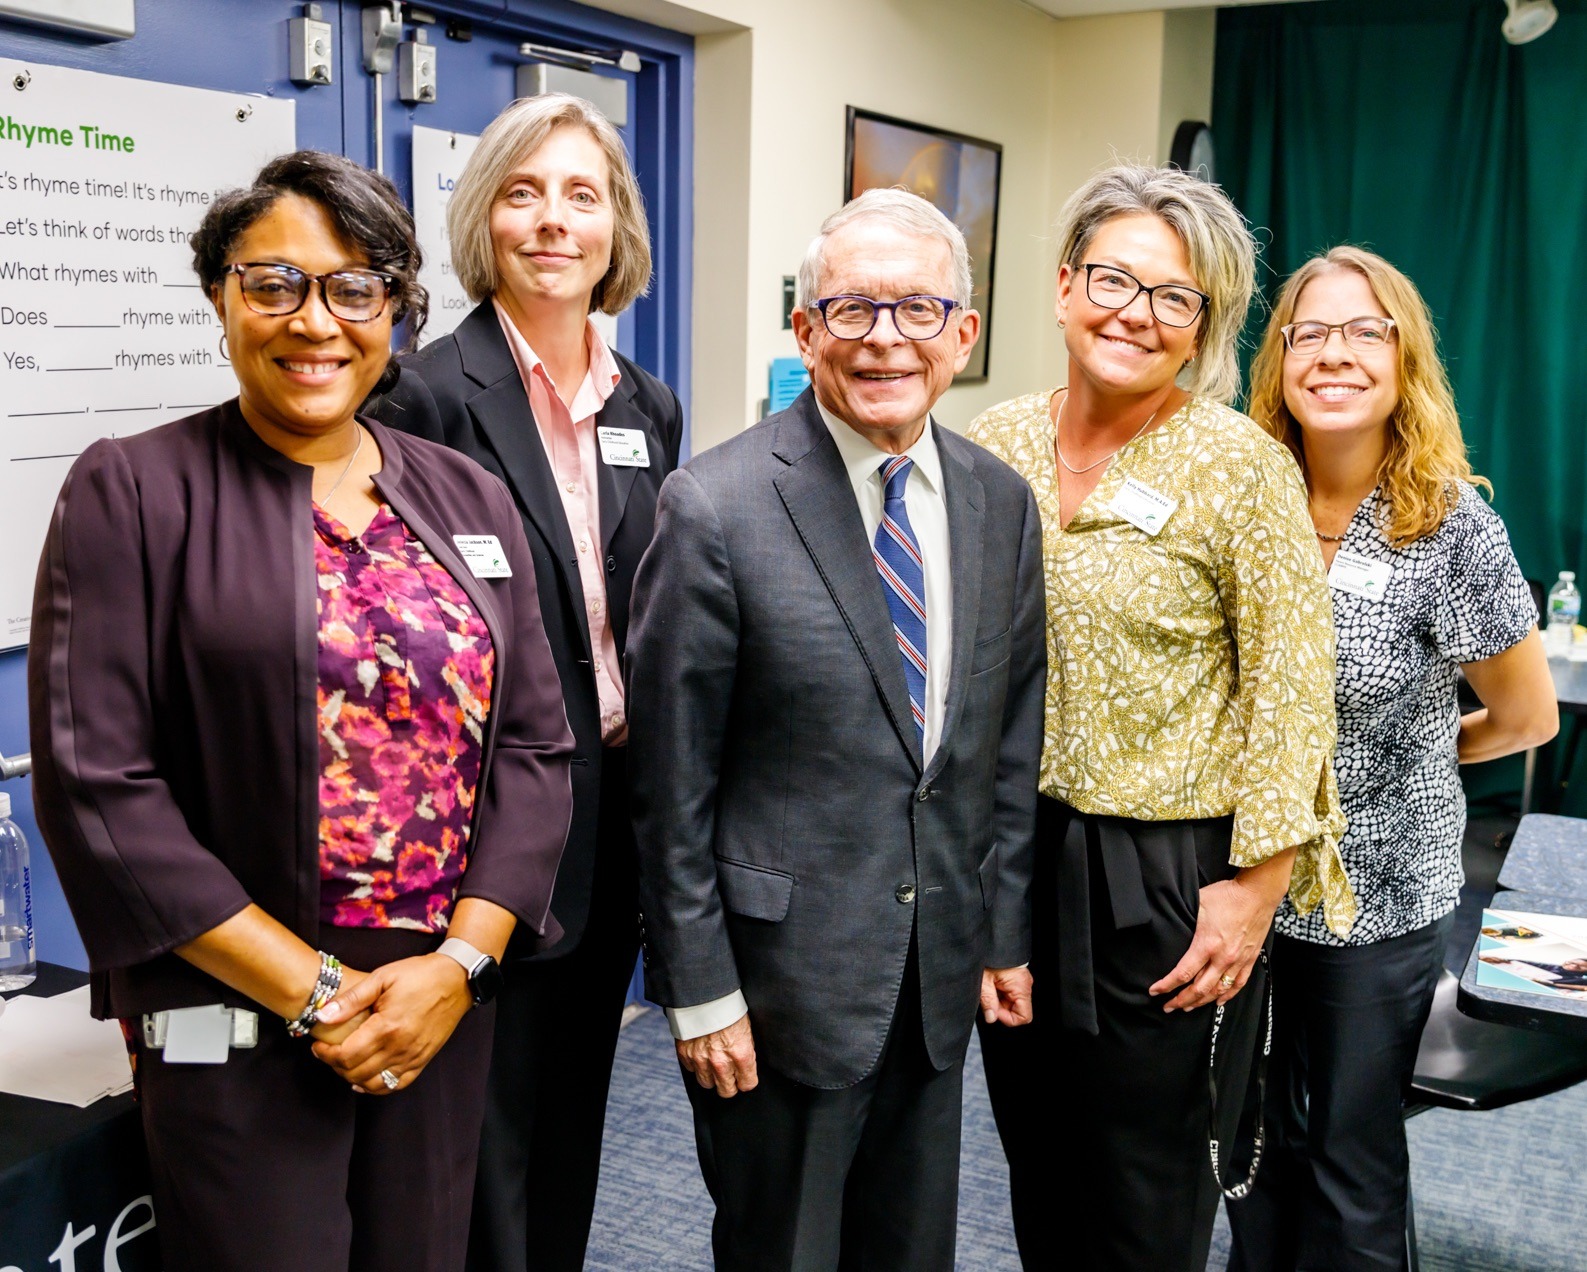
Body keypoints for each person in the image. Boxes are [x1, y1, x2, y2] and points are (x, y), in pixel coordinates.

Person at [27, 150, 574, 1272]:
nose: (313, 320)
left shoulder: (465, 494)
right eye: (273, 282)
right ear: (221, 296)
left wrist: (457, 969)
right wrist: (318, 995)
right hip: (238, 1007)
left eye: (353, 287)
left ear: (396, 310)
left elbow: (532, 745)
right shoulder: (133, 488)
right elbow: (99, 786)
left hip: (433, 1004)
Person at [626, 187, 1045, 1271]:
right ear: (806, 330)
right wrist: (699, 988)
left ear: (964, 335)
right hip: (777, 993)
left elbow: (1002, 744)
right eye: (853, 310)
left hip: (935, 980)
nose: (885, 341)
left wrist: (998, 932)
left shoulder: (999, 502)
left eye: (917, 311)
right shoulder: (713, 505)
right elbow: (671, 789)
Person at [966, 162, 1353, 1271]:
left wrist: (1256, 888)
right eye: (1115, 279)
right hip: (1012, 855)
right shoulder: (993, 444)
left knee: (1146, 1189)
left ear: (1202, 329)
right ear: (1062, 285)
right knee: (1033, 1163)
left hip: (1165, 880)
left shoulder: (1242, 466)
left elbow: (1292, 687)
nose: (1136, 312)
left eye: (1174, 298)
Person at [371, 94, 682, 1272]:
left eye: (581, 194)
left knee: (576, 1115)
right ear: (484, 217)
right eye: (523, 191)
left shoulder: (646, 408)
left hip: (614, 819)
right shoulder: (426, 397)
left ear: (616, 228)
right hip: (490, 833)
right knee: (479, 1139)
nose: (553, 221)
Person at [1226, 246, 1557, 1271]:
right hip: (1236, 888)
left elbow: (1526, 718)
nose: (1335, 353)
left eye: (1365, 331)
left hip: (1378, 899)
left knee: (1347, 1157)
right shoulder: (1243, 500)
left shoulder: (1451, 526)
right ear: (1278, 359)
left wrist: (1417, 756)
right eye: (1309, 332)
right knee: (1243, 1144)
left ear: (1403, 358)